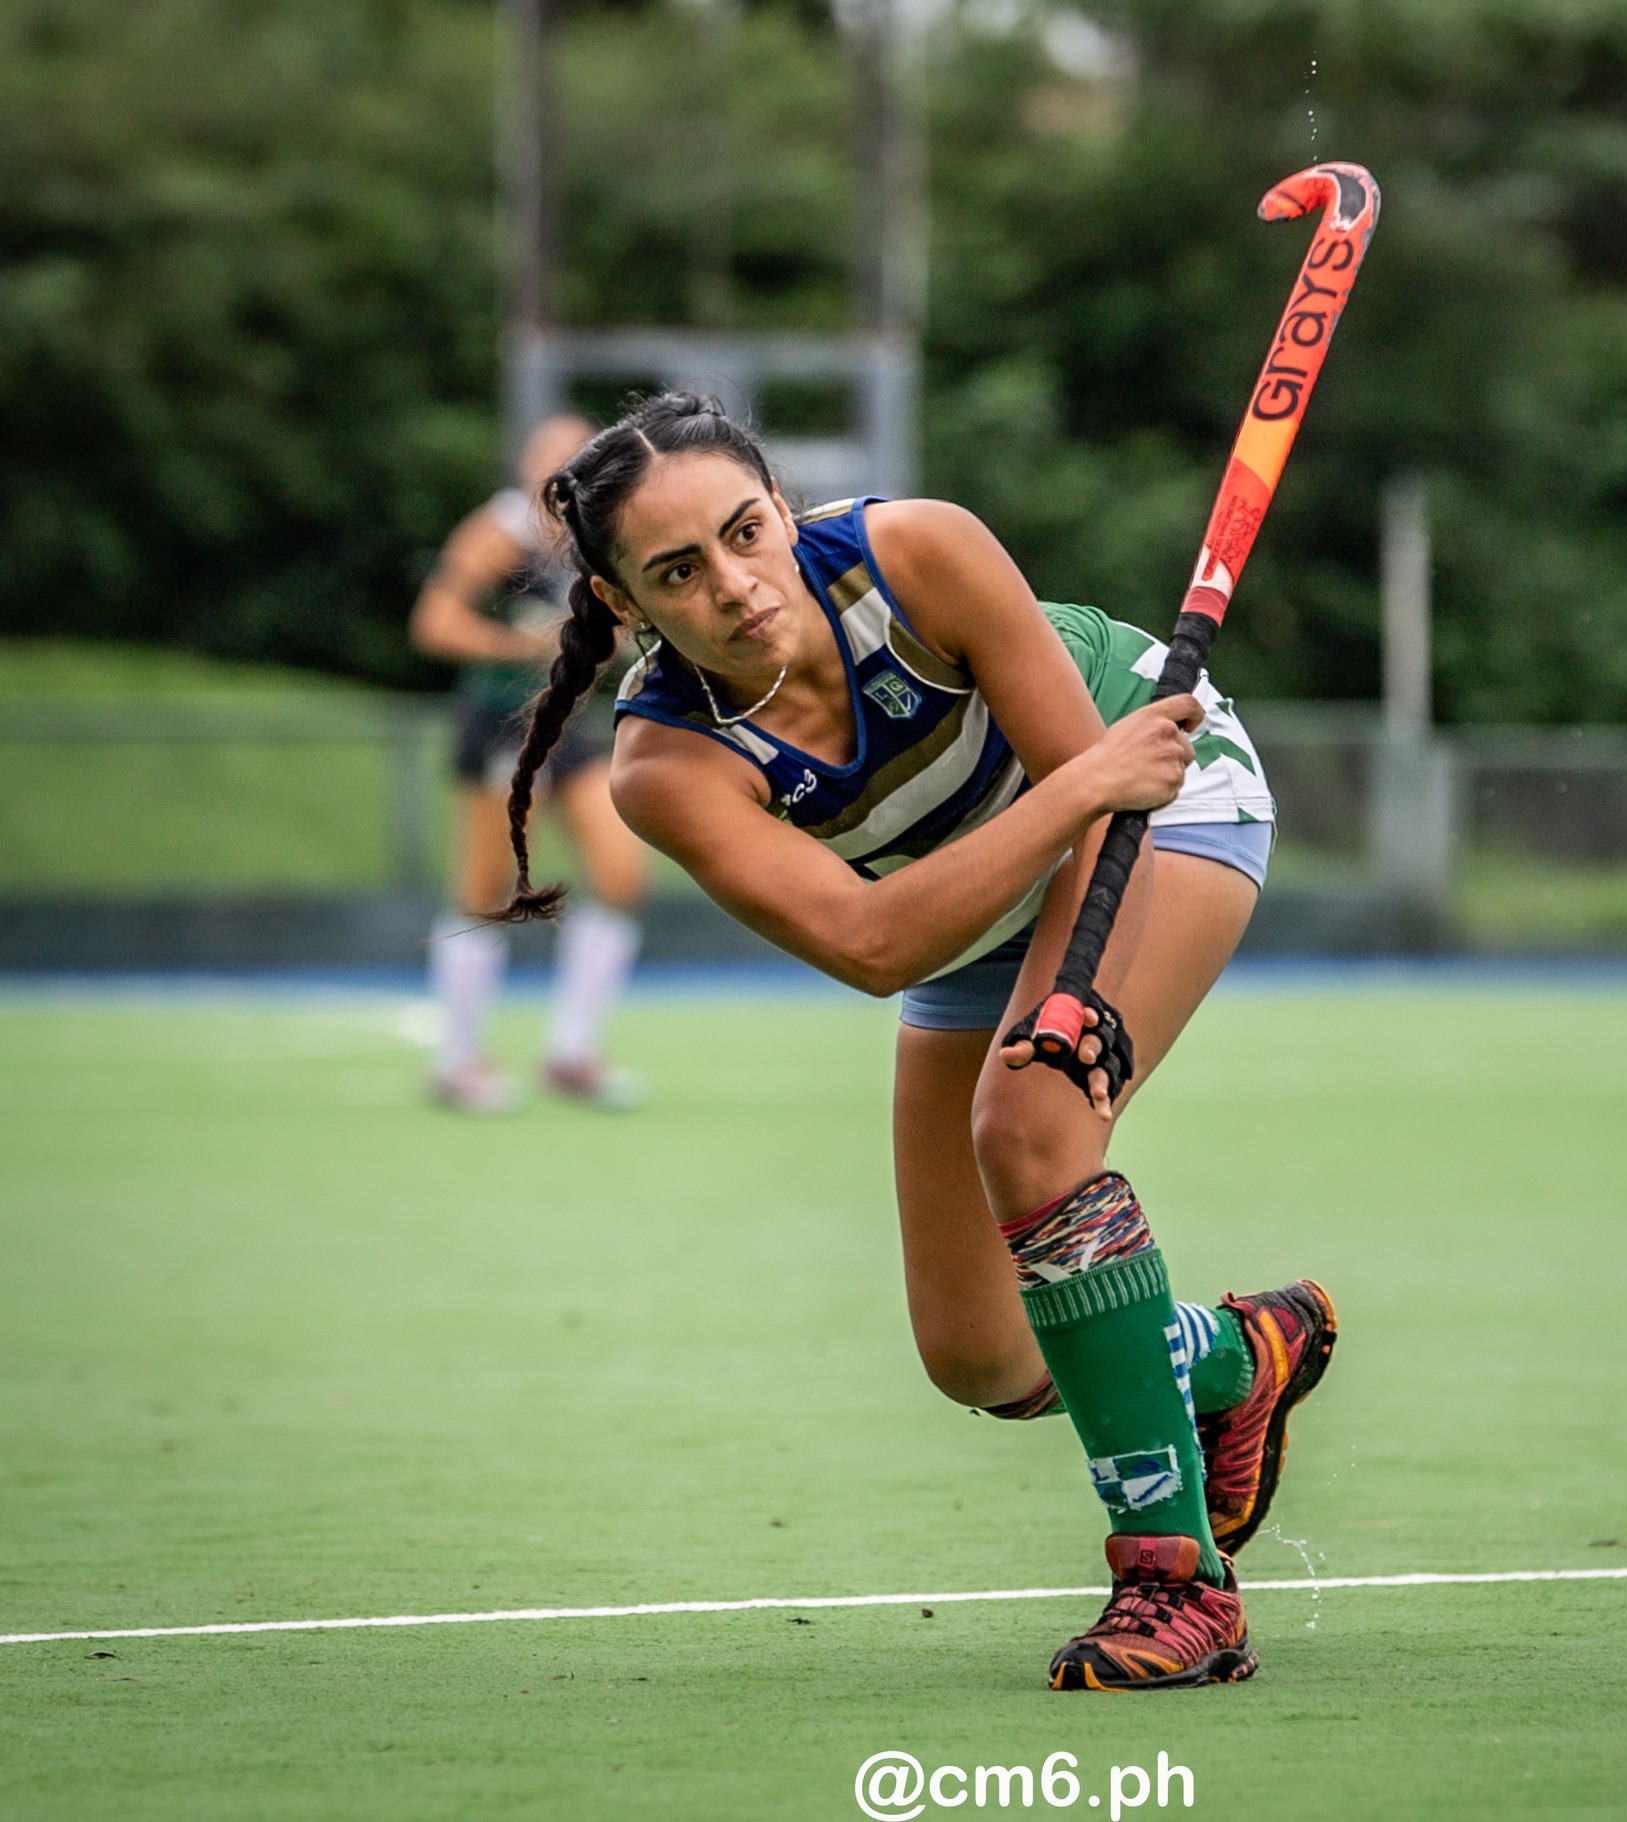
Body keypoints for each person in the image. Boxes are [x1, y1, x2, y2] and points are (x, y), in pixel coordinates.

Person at [494, 392, 1337, 1690]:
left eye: (745, 530)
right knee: (983, 1353)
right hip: (970, 890)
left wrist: (1069, 1005)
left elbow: (1105, 800)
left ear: (781, 506)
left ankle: (1177, 1584)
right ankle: (1234, 1358)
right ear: (621, 604)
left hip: (1152, 806)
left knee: (1031, 1125)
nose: (735, 583)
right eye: (678, 571)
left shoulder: (921, 553)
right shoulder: (668, 764)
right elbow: (875, 945)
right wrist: (1065, 808)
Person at [409, 415, 648, 1113]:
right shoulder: (500, 533)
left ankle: (572, 1053)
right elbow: (435, 623)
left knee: (621, 873)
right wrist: (523, 649)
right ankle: (458, 1060)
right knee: (489, 892)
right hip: (499, 727)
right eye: (551, 460)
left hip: (565, 727)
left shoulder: (598, 541)